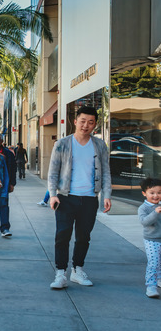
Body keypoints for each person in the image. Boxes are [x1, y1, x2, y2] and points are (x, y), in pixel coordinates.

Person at [48, 105, 112, 290]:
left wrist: (106, 195)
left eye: (90, 122)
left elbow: (106, 172)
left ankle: (77, 270)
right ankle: (60, 273)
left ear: (95, 125)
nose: (86, 125)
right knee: (62, 236)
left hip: (90, 198)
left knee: (84, 237)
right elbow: (53, 172)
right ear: (75, 121)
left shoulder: (99, 145)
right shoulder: (62, 144)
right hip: (65, 197)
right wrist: (53, 195)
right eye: (82, 121)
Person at [138, 178, 161, 298]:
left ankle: (159, 279)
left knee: (160, 262)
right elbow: (144, 222)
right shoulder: (144, 208)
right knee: (154, 262)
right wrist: (155, 212)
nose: (156, 195)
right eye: (152, 193)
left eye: (159, 192)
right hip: (152, 240)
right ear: (144, 193)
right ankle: (151, 285)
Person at [0, 133, 16, 238]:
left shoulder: (8, 154)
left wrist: (12, 183)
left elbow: (12, 169)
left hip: (4, 185)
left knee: (4, 205)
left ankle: (5, 228)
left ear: (1, 141)